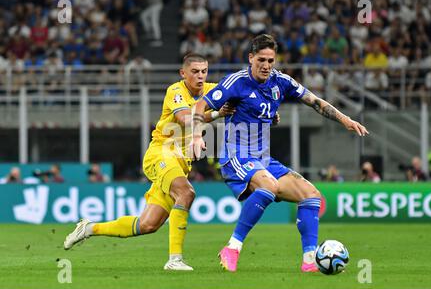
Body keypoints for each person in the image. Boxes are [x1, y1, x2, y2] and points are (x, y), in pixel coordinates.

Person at [192, 34, 368, 273]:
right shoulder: (236, 82)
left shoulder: (281, 82)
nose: (266, 65)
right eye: (261, 60)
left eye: (271, 60)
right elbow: (200, 106)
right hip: (236, 156)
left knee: (311, 195)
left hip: (263, 159)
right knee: (268, 186)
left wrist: (345, 119)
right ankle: (232, 248)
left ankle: (309, 260)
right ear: (251, 58)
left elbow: (314, 101)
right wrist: (195, 135)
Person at [64, 53, 235, 271]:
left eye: (204, 71)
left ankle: (88, 228)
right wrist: (216, 114)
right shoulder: (175, 91)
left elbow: (240, 95)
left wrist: (266, 113)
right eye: (194, 72)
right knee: (187, 193)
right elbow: (185, 118)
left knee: (147, 225)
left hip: (180, 164)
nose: (200, 76)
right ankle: (175, 260)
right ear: (183, 73)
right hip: (161, 154)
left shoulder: (213, 89)